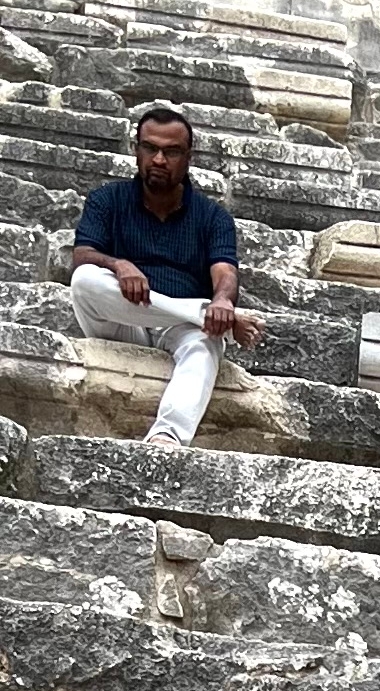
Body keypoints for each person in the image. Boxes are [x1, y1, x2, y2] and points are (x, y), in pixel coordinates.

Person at [70, 107, 264, 449]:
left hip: (180, 330)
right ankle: (201, 313)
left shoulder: (213, 217)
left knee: (206, 342)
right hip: (123, 319)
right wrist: (118, 264)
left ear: (189, 157)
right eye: (150, 148)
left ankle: (167, 437)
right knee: (85, 279)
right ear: (136, 150)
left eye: (172, 152)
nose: (159, 160)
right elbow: (83, 256)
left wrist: (222, 300)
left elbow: (225, 272)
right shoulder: (107, 199)